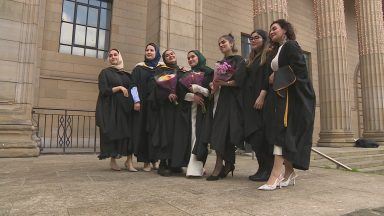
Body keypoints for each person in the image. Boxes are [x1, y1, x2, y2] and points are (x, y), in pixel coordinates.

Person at [258, 19, 316, 190]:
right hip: (279, 98)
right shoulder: (277, 50)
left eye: (274, 28)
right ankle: (289, 173)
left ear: (285, 30)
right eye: (270, 30)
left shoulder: (291, 46)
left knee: (281, 133)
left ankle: (275, 176)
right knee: (280, 132)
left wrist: (277, 75)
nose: (271, 32)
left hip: (291, 98)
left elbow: (301, 71)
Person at [204, 34, 246, 181]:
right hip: (218, 100)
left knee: (224, 133)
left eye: (223, 42)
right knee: (219, 132)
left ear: (232, 43)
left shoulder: (239, 60)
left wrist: (225, 83)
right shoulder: (219, 63)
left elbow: (239, 81)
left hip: (231, 101)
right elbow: (215, 81)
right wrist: (213, 84)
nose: (221, 45)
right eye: (219, 43)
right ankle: (227, 164)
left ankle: (220, 165)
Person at [96, 48, 140, 171]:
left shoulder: (127, 75)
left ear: (119, 56)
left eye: (115, 54)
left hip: (127, 109)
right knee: (114, 134)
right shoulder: (105, 72)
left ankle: (129, 162)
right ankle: (113, 160)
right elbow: (104, 90)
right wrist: (119, 87)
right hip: (112, 109)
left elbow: (134, 89)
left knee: (129, 134)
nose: (113, 57)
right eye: (110, 55)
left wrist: (137, 101)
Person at [173, 50, 213, 177]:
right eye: (188, 58)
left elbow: (211, 91)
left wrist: (198, 89)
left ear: (199, 57)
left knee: (199, 138)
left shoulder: (209, 72)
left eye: (193, 57)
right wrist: (192, 96)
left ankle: (195, 168)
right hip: (188, 111)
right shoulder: (186, 74)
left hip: (203, 110)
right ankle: (190, 165)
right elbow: (180, 92)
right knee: (190, 137)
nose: (190, 59)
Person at [243, 29, 274, 182]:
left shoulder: (267, 56)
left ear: (264, 39)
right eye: (251, 38)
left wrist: (262, 95)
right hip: (250, 101)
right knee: (255, 137)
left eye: (257, 37)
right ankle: (262, 168)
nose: (253, 40)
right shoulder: (251, 59)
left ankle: (268, 169)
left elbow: (268, 78)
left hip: (261, 100)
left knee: (261, 136)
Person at [131, 43, 163, 172]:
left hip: (157, 106)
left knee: (155, 132)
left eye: (152, 50)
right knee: (144, 131)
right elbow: (133, 85)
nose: (149, 52)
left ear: (156, 52)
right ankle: (146, 162)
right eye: (147, 50)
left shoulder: (161, 68)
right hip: (143, 105)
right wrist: (136, 101)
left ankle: (155, 160)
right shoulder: (139, 68)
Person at [149, 49, 179, 176]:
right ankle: (163, 164)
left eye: (172, 54)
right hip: (165, 109)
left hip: (178, 110)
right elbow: (156, 89)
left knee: (176, 135)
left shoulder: (181, 71)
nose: (170, 56)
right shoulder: (160, 72)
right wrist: (168, 95)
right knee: (165, 135)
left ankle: (174, 163)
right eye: (167, 55)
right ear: (165, 59)